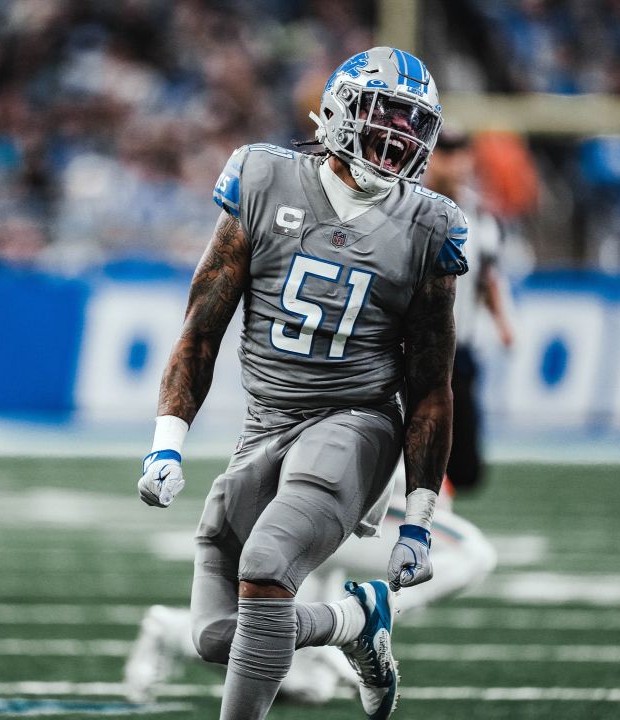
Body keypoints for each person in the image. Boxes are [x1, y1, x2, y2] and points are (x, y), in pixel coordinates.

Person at [135, 47, 467, 720]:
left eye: (414, 123)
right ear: (343, 109)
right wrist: (166, 444)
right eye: (388, 115)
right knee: (214, 637)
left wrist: (420, 521)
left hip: (358, 420)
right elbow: (202, 329)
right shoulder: (261, 179)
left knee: (266, 562)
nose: (401, 136)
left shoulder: (431, 226)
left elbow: (432, 384)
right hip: (267, 423)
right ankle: (354, 620)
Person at [123, 461, 498, 706]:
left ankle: (172, 630)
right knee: (471, 553)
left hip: (336, 499)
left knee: (305, 686)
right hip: (337, 493)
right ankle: (363, 616)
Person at [423, 129, 516, 493]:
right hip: (409, 348)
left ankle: (434, 511)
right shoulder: (406, 207)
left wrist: (503, 323)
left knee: (465, 467)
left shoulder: (480, 216)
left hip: (459, 351)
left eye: (460, 152)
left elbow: (487, 279)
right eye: (445, 152)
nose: (453, 161)